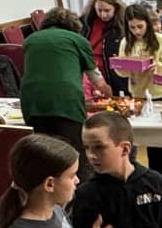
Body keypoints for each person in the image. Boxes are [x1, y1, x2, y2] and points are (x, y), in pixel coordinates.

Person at [20, 8, 110, 153]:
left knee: (44, 153)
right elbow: (97, 80)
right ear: (74, 26)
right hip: (66, 102)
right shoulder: (78, 40)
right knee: (73, 151)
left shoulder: (30, 40)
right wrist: (110, 94)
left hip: (32, 102)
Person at [84, 0, 129, 93]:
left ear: (115, 7)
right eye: (99, 10)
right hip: (91, 70)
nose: (103, 15)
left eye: (107, 10)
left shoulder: (123, 23)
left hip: (113, 73)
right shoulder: (86, 22)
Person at [118, 3, 162, 101]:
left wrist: (158, 66)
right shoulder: (125, 42)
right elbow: (122, 72)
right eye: (132, 27)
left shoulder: (160, 39)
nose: (137, 31)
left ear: (147, 23)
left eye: (140, 26)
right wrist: (121, 69)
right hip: (137, 94)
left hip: (159, 94)